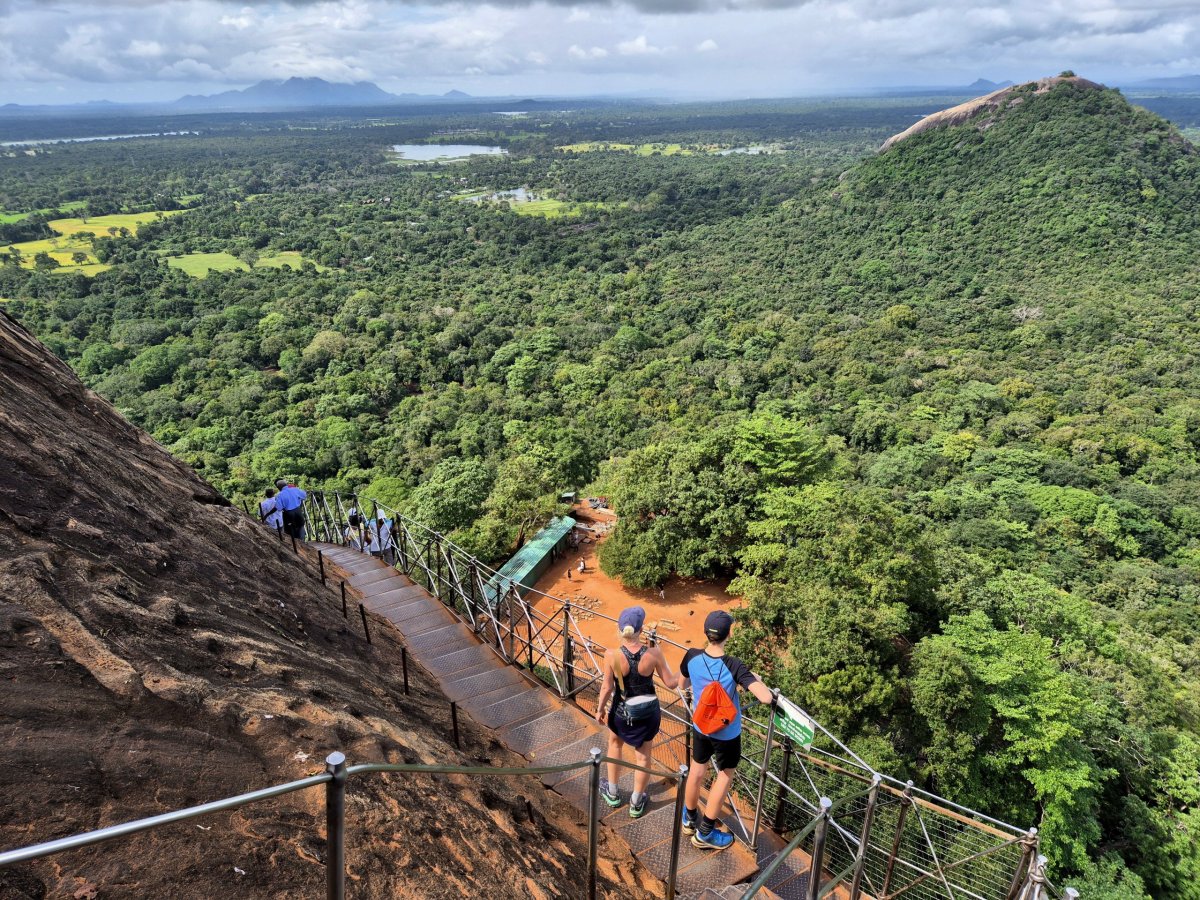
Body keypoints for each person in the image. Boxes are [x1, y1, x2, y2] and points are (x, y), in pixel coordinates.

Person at [679, 610, 774, 850]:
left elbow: (682, 683)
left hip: (701, 725)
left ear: (706, 632)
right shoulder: (734, 665)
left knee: (697, 770)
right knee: (724, 775)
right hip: (727, 733)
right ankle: (705, 833)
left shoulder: (692, 656)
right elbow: (765, 697)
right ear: (729, 634)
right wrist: (752, 678)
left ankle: (689, 819)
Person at [594, 607, 679, 818]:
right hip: (648, 714)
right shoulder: (654, 653)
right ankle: (636, 801)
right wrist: (687, 668)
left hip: (622, 712)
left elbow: (607, 687)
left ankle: (612, 792)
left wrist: (600, 709)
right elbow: (671, 682)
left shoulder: (612, 655)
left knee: (615, 745)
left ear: (620, 630)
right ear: (641, 630)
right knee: (643, 757)